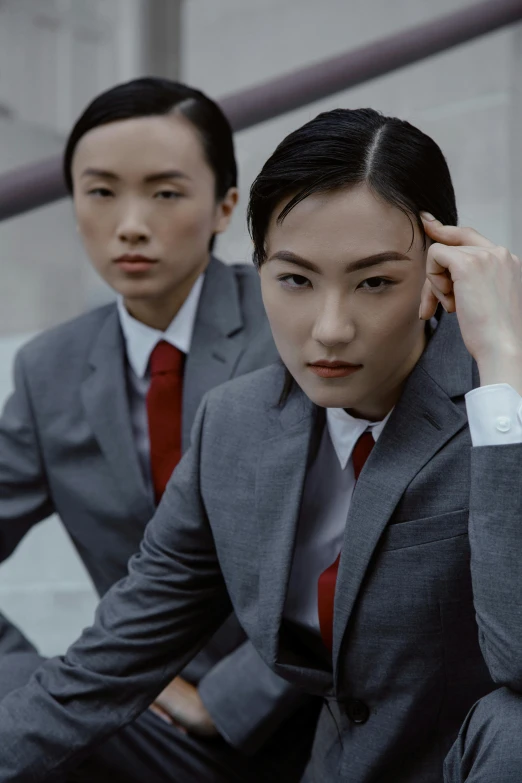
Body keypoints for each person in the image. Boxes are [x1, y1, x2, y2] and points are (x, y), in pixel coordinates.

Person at [0, 106, 521, 783]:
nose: (330, 329)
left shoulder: (498, 405)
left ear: (440, 273)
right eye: (296, 279)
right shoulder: (237, 422)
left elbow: (517, 658)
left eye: (375, 281)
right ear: (259, 270)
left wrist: (505, 362)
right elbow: (109, 660)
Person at [0, 77, 320, 783]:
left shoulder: (300, 337)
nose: (131, 223)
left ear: (225, 206)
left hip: (307, 719)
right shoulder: (49, 369)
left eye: (166, 193)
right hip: (138, 712)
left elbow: (356, 552)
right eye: (102, 191)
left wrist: (222, 700)